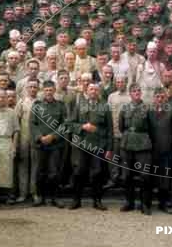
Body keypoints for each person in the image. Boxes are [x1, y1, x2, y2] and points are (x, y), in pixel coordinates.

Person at [66, 83, 112, 210]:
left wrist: (109, 149)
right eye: (91, 89)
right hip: (81, 144)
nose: (93, 91)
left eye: (96, 89)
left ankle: (97, 201)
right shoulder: (79, 105)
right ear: (87, 90)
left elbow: (109, 130)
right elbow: (69, 124)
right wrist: (82, 127)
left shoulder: (105, 106)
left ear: (99, 92)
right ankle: (76, 200)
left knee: (97, 173)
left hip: (98, 145)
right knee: (79, 171)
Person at [30, 80, 67, 208]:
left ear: (54, 90)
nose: (48, 92)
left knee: (54, 172)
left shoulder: (61, 106)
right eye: (46, 90)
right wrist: (40, 137)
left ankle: (54, 197)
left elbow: (64, 124)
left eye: (51, 90)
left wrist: (53, 136)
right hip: (40, 144)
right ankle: (39, 196)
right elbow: (32, 124)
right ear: (42, 91)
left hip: (55, 145)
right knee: (40, 171)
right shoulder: (36, 105)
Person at [118, 84, 153, 214]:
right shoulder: (125, 108)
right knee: (127, 176)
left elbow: (151, 127)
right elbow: (121, 127)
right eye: (134, 91)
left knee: (145, 176)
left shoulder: (147, 108)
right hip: (127, 145)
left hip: (143, 145)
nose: (137, 92)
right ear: (130, 94)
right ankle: (129, 202)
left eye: (139, 90)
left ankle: (145, 204)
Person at [147, 87, 172, 211]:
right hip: (152, 149)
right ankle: (147, 203)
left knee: (165, 178)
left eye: (162, 97)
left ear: (165, 98)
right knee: (150, 176)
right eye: (157, 97)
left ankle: (163, 203)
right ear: (154, 98)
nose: (160, 99)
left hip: (167, 150)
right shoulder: (149, 111)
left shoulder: (171, 112)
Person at [15, 79, 40, 204]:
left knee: (36, 166)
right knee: (23, 165)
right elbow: (16, 122)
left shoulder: (41, 103)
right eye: (30, 87)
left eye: (35, 87)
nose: (32, 89)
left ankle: (34, 193)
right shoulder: (21, 102)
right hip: (24, 137)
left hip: (37, 139)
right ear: (26, 88)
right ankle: (22, 193)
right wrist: (17, 141)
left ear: (38, 88)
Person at [106, 76, 131, 188]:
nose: (120, 84)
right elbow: (108, 113)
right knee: (114, 157)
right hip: (114, 132)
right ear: (115, 83)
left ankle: (125, 179)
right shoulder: (111, 96)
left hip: (126, 133)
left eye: (122, 82)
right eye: (118, 82)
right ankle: (114, 179)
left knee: (125, 158)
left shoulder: (130, 96)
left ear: (126, 83)